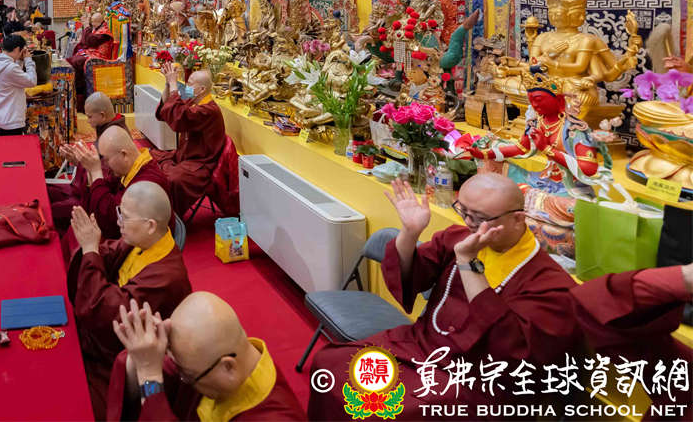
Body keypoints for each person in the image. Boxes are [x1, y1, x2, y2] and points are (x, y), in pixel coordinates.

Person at [307, 173, 578, 419]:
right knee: (329, 366)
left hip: (478, 378)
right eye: (464, 211)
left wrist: (467, 263)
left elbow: (513, 351)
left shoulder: (550, 284)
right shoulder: (458, 236)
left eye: (480, 218)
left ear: (518, 218)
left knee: (383, 410)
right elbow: (411, 276)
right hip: (421, 345)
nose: (469, 224)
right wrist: (410, 233)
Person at [68, 180, 192, 418]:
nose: (118, 222)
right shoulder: (147, 240)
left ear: (150, 225)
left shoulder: (167, 277)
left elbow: (106, 313)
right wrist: (92, 245)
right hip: (106, 343)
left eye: (124, 217)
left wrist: (91, 250)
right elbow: (111, 251)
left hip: (124, 361)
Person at [107, 293, 305, 421]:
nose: (183, 379)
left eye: (187, 376)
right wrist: (144, 351)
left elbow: (151, 380)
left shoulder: (275, 417)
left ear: (228, 367)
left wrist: (149, 375)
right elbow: (158, 369)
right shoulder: (212, 361)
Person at [53, 124, 170, 241]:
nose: (106, 165)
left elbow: (111, 222)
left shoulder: (148, 183)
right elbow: (105, 186)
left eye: (107, 159)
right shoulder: (131, 166)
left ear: (124, 155)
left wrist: (96, 172)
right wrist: (88, 168)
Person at [152, 64, 225, 217]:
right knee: (149, 159)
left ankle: (169, 217)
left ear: (202, 89)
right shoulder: (192, 101)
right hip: (183, 156)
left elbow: (179, 117)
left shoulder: (209, 110)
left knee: (173, 179)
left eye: (190, 84)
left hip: (201, 164)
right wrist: (168, 84)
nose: (186, 87)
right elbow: (166, 111)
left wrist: (174, 84)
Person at [0, 34, 36, 136]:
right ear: (17, 49)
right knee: (14, 145)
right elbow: (32, 81)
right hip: (12, 120)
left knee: (4, 144)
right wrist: (28, 60)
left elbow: (13, 77)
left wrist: (19, 60)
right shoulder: (10, 68)